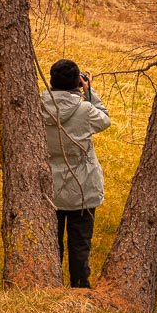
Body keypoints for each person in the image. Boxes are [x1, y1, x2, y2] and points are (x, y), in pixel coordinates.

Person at [42, 58, 110, 288]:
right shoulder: (85, 109)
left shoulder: (37, 106)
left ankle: (51, 284)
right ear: (77, 82)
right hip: (84, 188)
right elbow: (104, 121)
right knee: (80, 243)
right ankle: (80, 287)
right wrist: (90, 92)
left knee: (53, 241)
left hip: (50, 188)